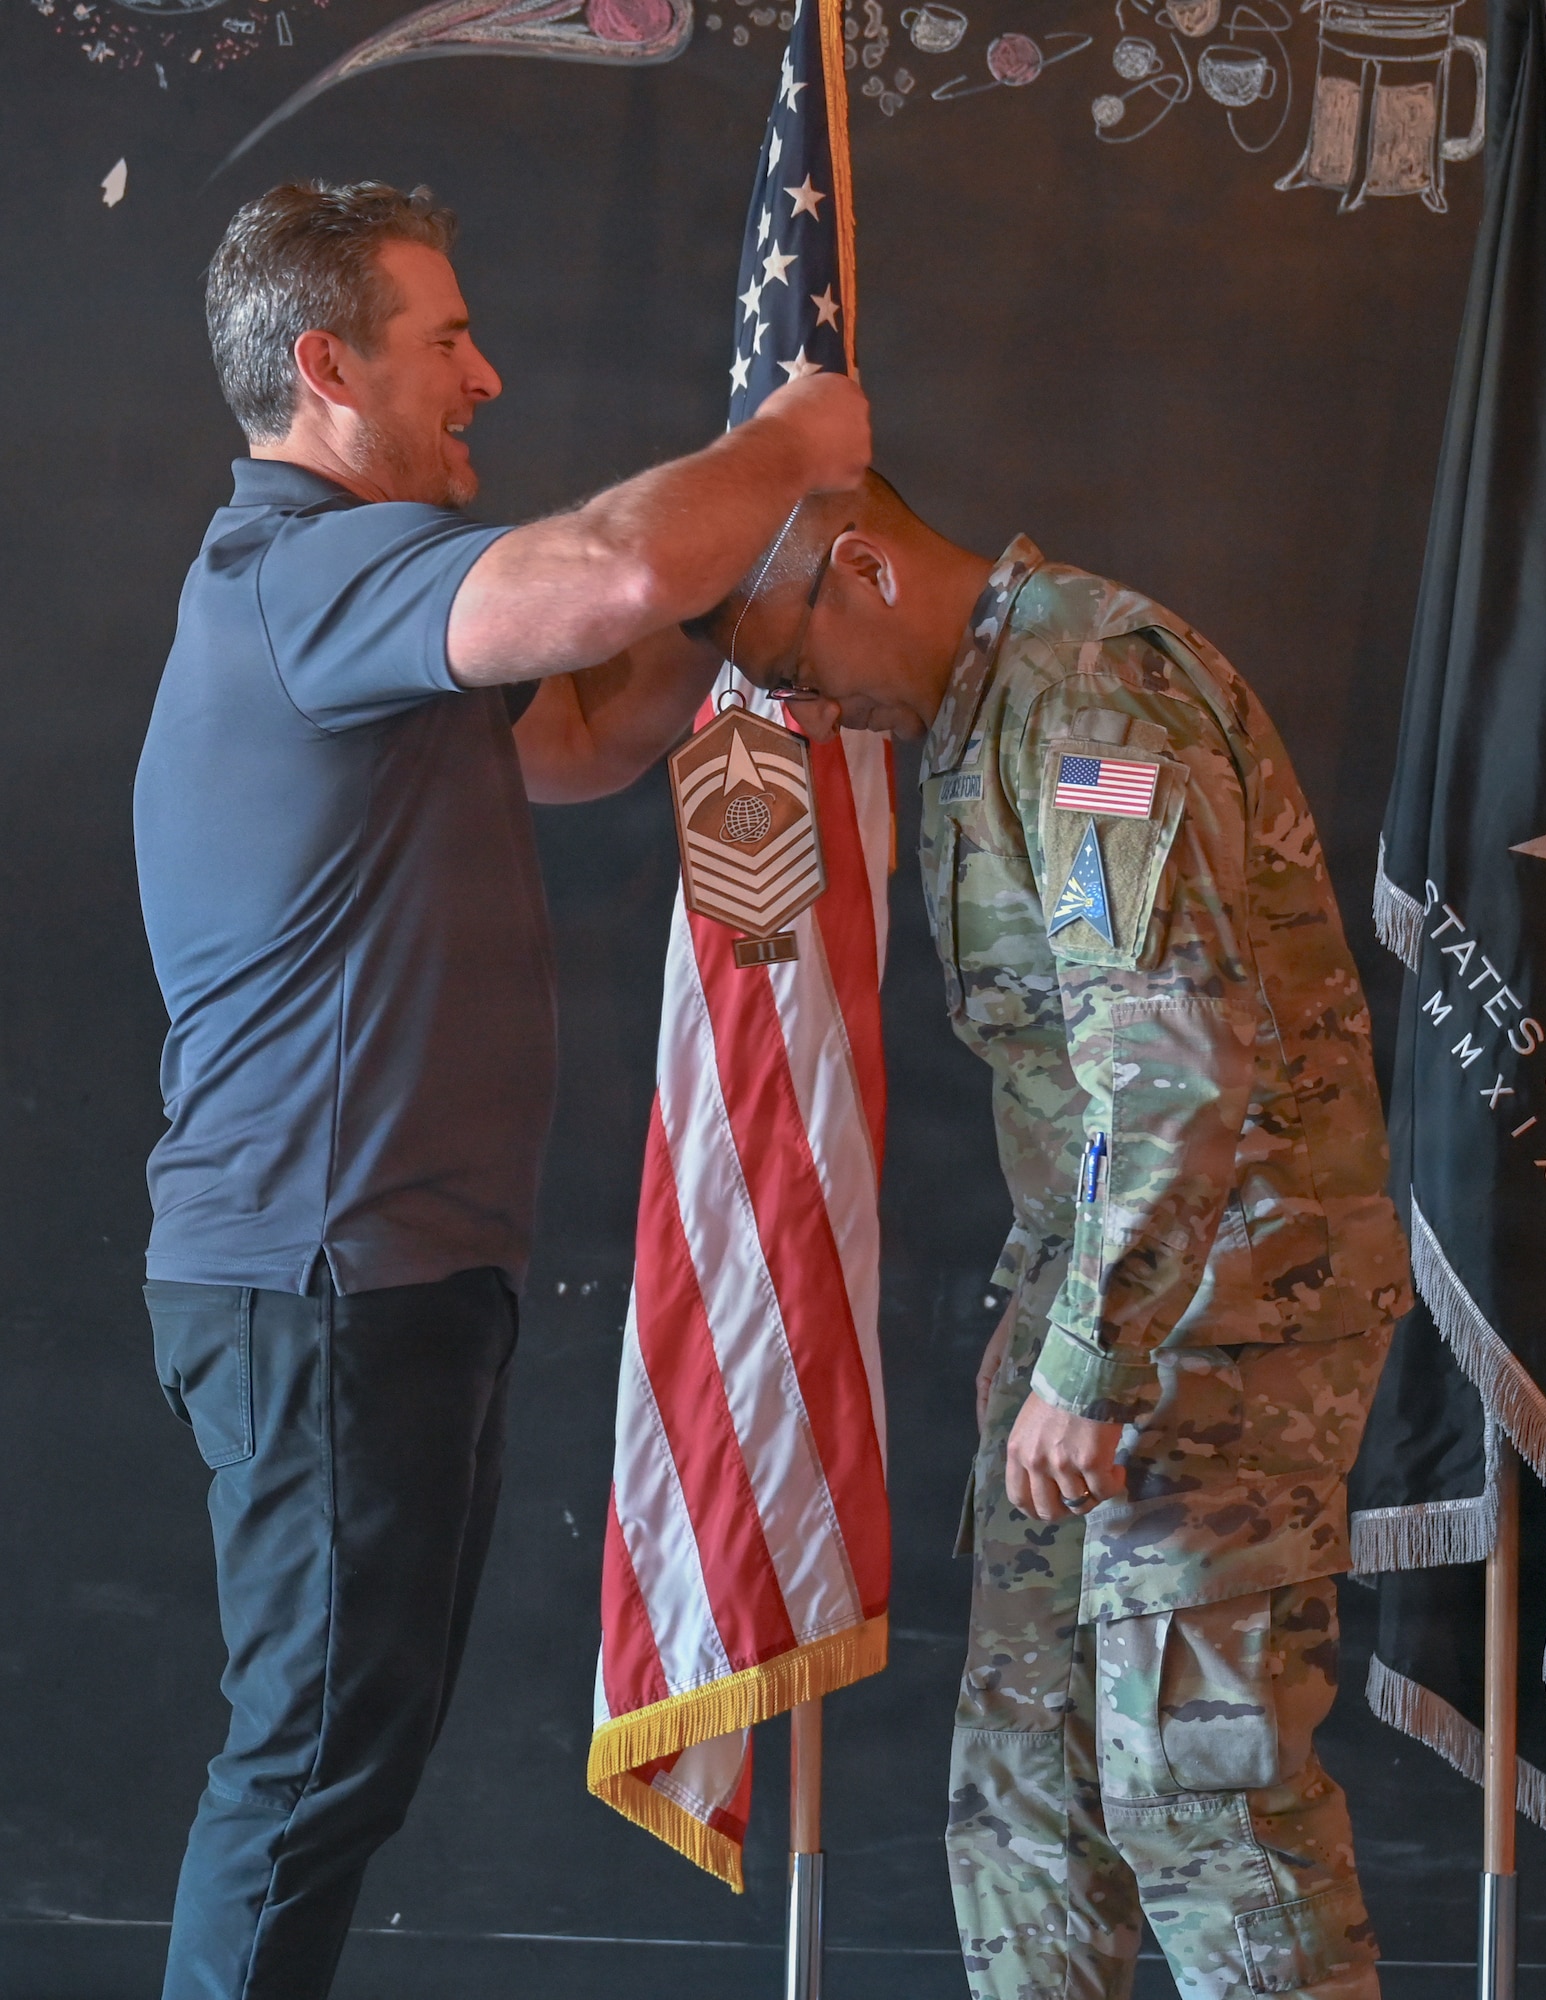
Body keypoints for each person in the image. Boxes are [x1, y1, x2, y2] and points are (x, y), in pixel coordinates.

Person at [132, 179, 869, 2000]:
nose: (487, 373)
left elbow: (587, 725)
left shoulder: (367, 623)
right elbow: (607, 571)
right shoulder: (302, 573)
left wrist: (751, 588)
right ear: (325, 368)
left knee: (338, 1768)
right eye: (442, 339)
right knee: (305, 1772)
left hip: (391, 1283)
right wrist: (779, 441)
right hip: (323, 1284)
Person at [703, 475, 1412, 2000]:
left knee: (1204, 1796)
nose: (800, 710)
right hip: (1093, 1307)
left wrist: (1091, 1360)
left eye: (794, 663)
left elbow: (1174, 1063)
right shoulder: (985, 709)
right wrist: (1067, 1342)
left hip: (1226, 1314)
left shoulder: (1095, 693)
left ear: (865, 569)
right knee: (1024, 1790)